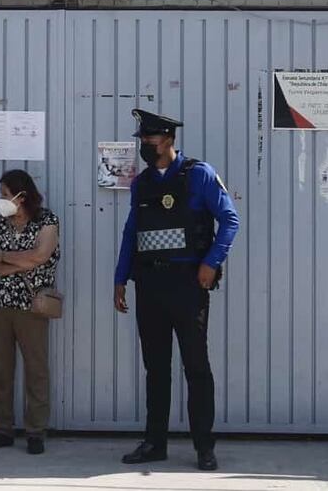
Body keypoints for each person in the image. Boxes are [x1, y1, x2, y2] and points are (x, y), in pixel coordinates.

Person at [114, 109, 239, 471]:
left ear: (168, 139)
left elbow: (230, 219)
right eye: (142, 141)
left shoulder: (198, 175)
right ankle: (155, 443)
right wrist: (121, 278)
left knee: (196, 366)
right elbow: (131, 232)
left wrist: (211, 262)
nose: (145, 147)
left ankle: (204, 446)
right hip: (150, 284)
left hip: (188, 284)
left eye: (149, 141)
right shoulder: (142, 183)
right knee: (156, 368)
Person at [0, 170, 60, 455]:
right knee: (1, 369)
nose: (1, 200)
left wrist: (3, 257)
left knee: (36, 368)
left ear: (21, 196)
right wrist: (20, 263)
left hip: (32, 305)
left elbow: (41, 255)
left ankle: (35, 431)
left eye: (4, 194)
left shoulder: (46, 221)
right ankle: (2, 429)